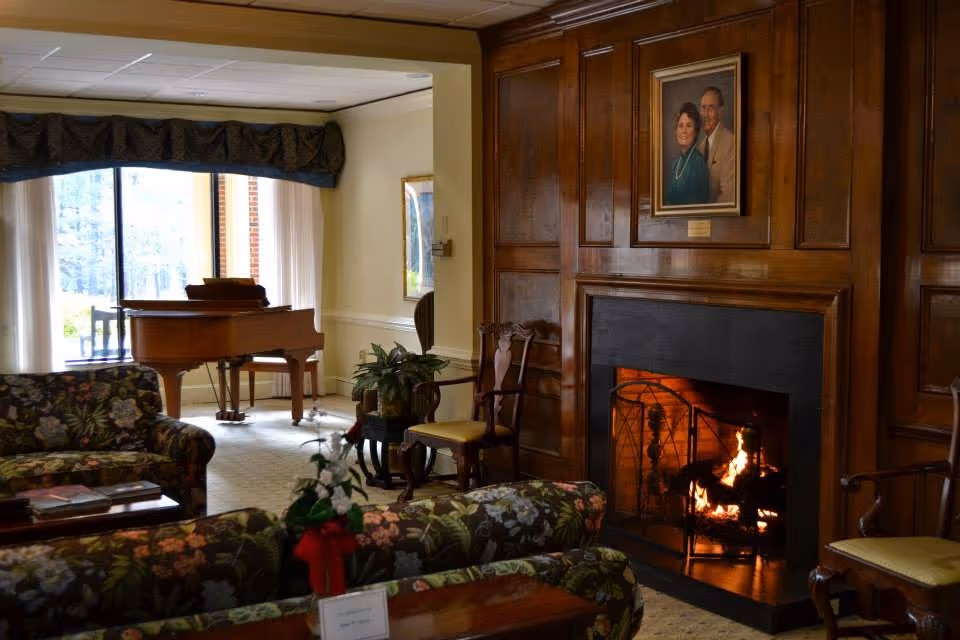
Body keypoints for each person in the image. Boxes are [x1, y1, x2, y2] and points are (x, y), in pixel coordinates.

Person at [665, 102, 709, 206]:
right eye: (680, 126)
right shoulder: (675, 164)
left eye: (689, 125)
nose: (683, 131)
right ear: (676, 130)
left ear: (696, 131)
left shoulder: (698, 163)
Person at [697, 86, 736, 204]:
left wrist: (704, 214)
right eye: (703, 108)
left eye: (711, 108)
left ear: (721, 112)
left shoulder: (731, 142)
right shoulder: (701, 146)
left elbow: (729, 195)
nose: (705, 115)